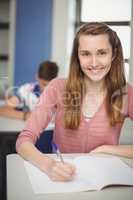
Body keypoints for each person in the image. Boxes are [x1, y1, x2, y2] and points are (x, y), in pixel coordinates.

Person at [16, 22, 133, 182]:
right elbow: (24, 140)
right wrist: (48, 165)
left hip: (105, 178)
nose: (93, 63)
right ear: (77, 57)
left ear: (113, 54)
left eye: (101, 53)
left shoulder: (127, 92)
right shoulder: (57, 87)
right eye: (85, 54)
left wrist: (107, 149)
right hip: (62, 177)